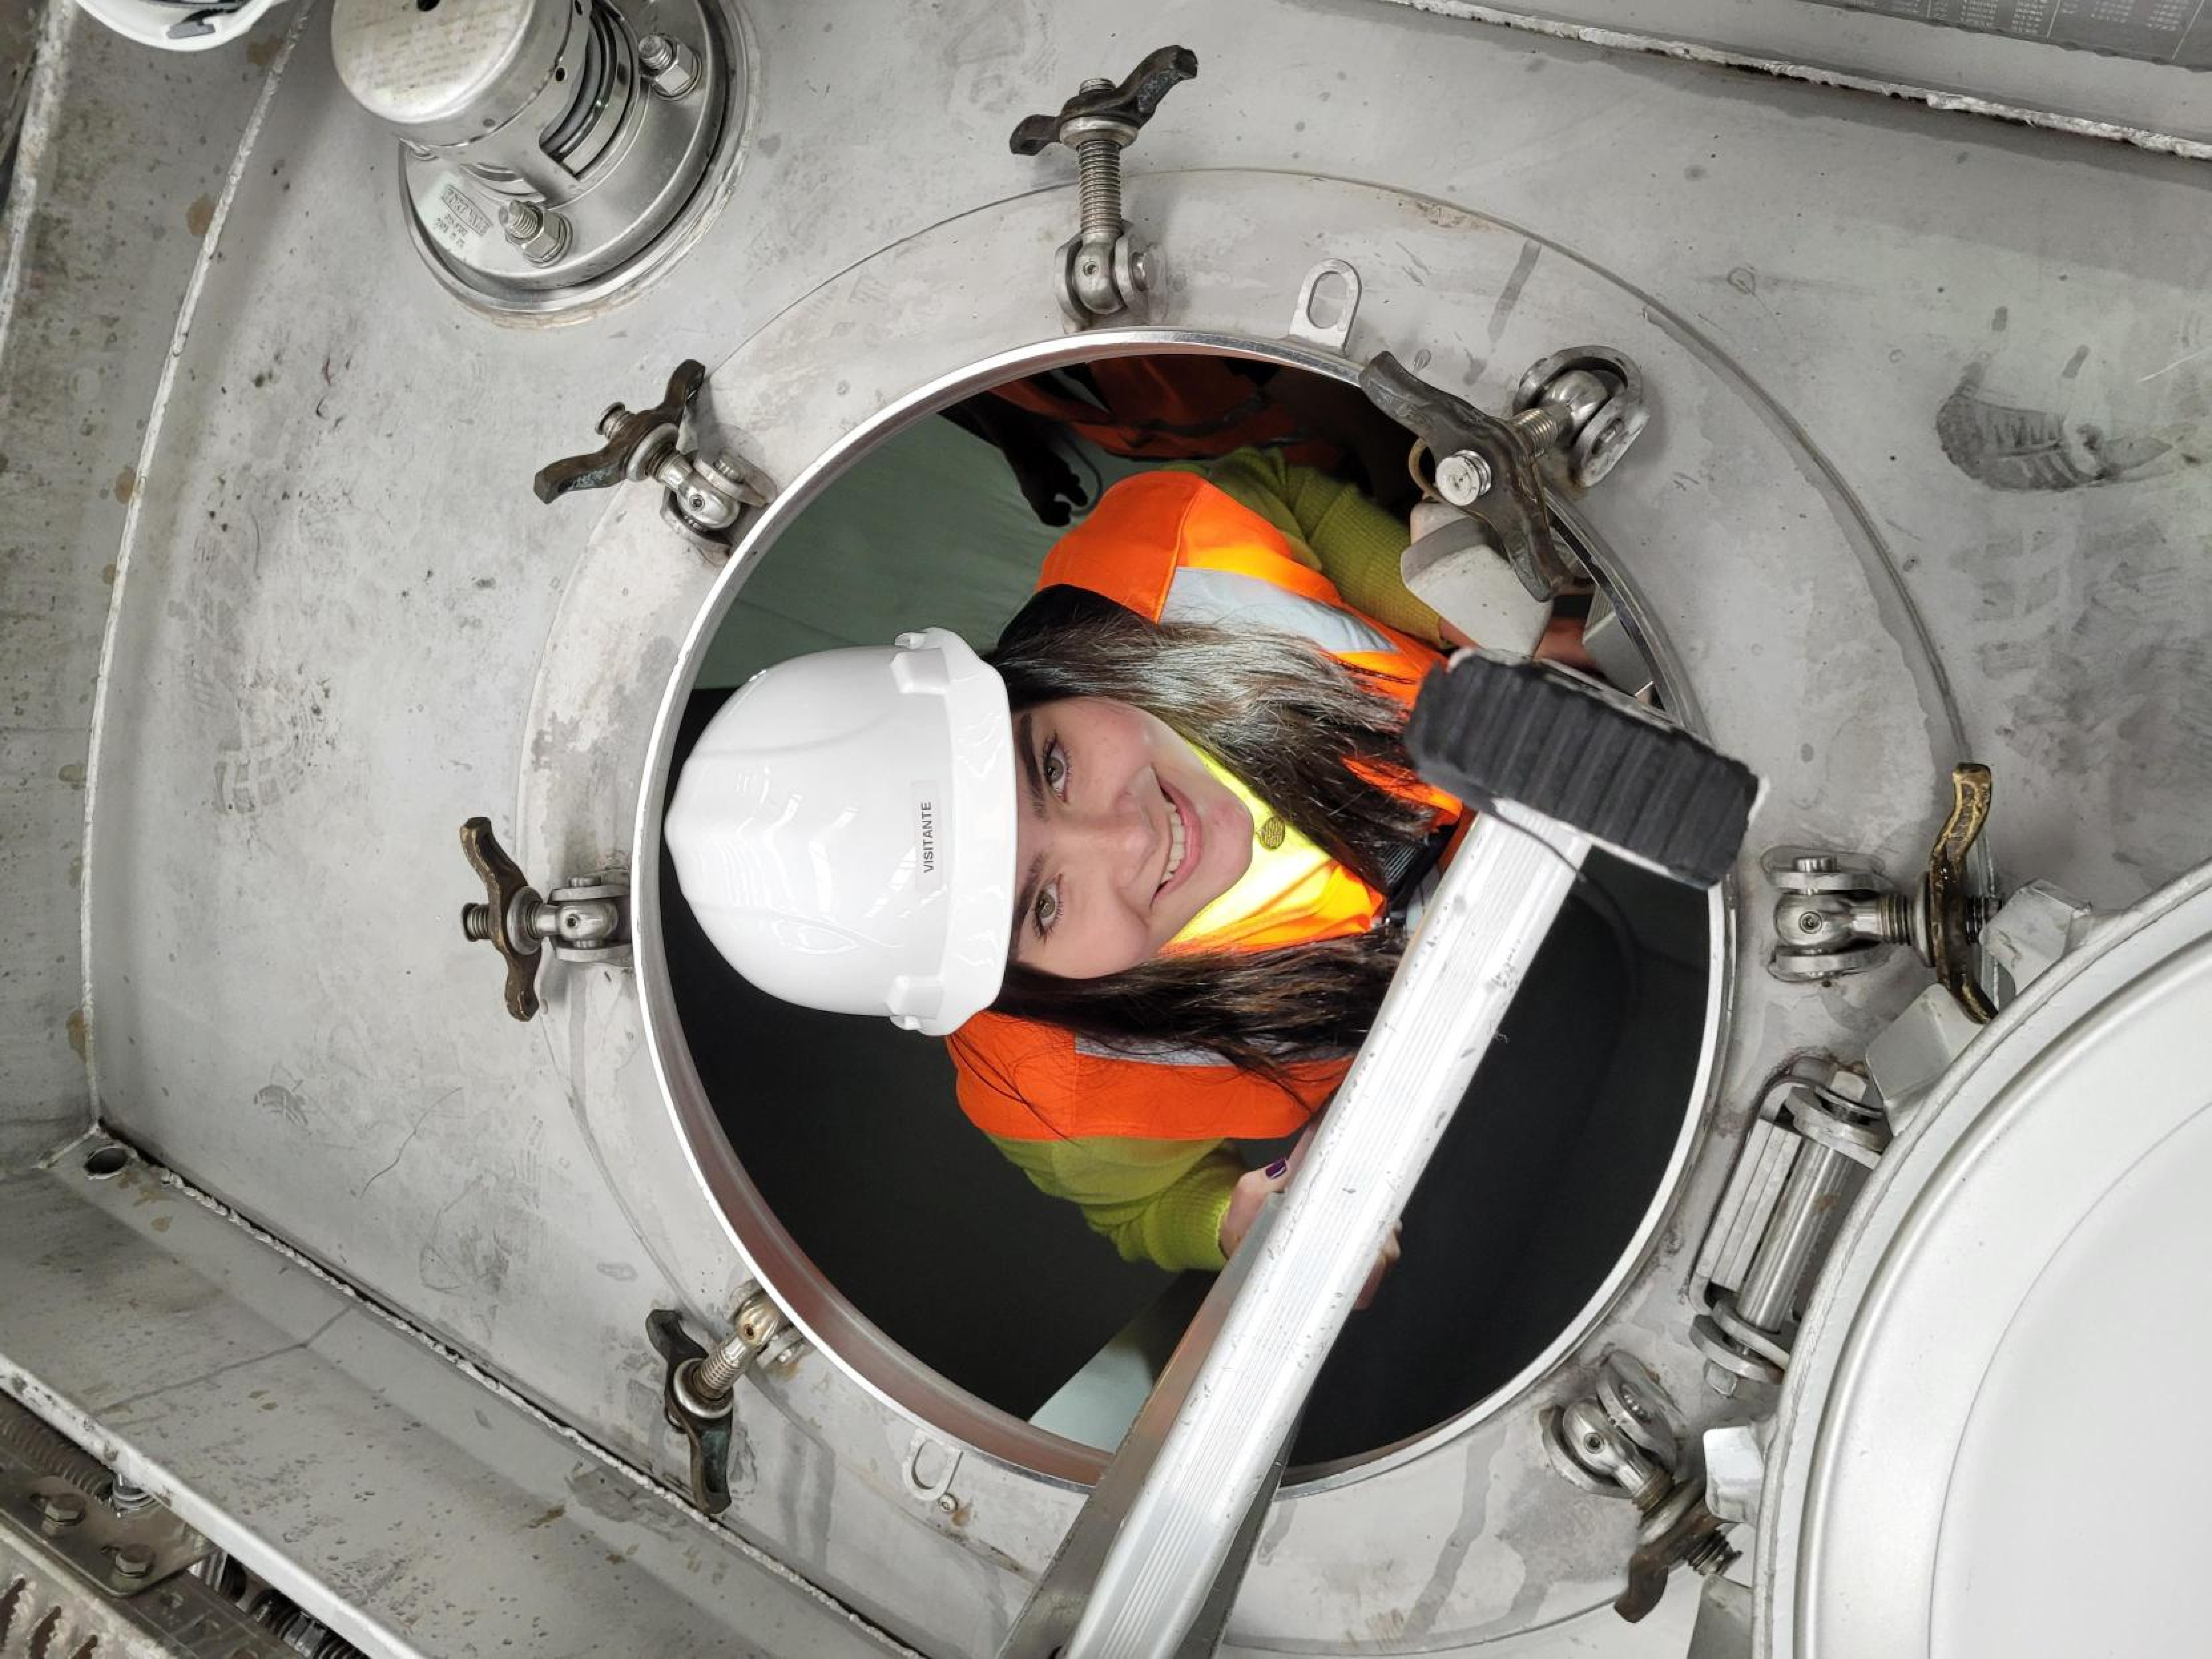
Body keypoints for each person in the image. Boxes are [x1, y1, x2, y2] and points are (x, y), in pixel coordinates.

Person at [667, 447, 1521, 1287]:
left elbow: (1287, 498)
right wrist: (1229, 1221)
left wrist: (1479, 615)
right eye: (1042, 906)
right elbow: (1142, 1209)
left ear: (1021, 691)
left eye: (1052, 768)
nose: (1133, 840)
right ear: (1009, 982)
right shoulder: (1051, 1096)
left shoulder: (1161, 553)